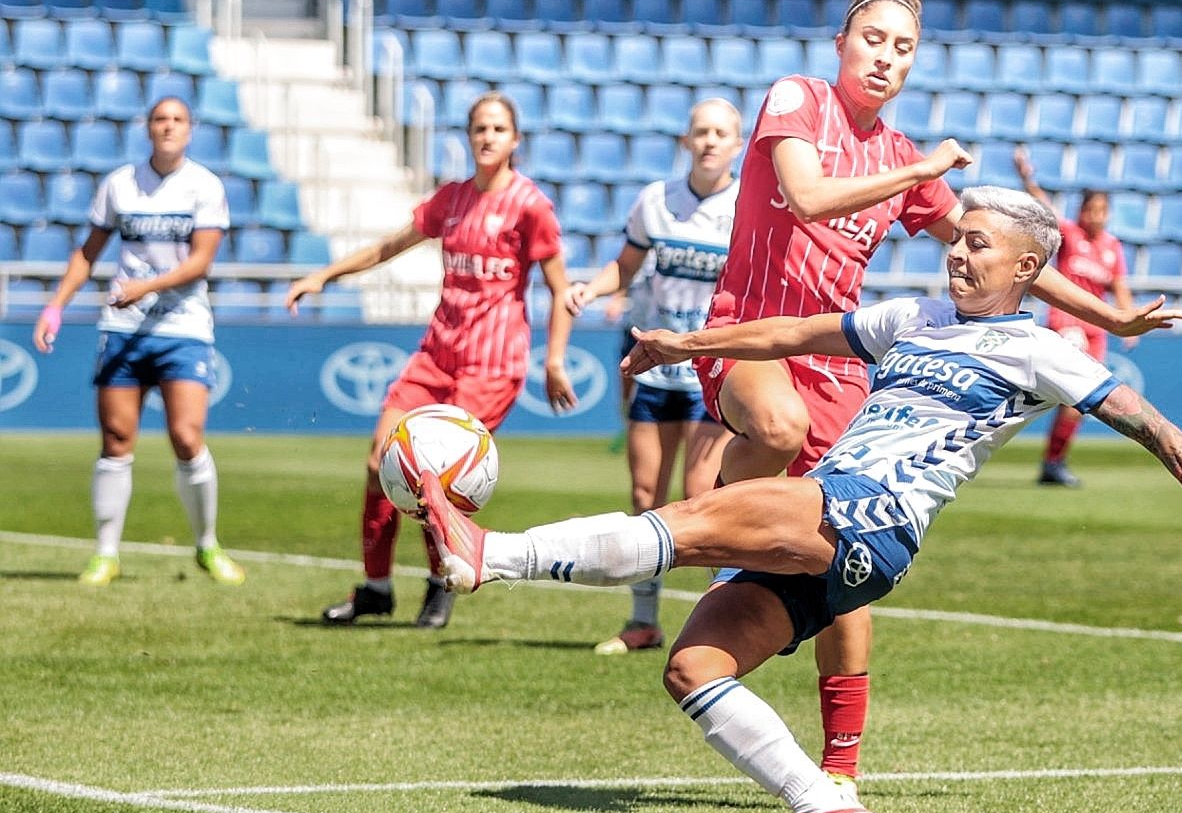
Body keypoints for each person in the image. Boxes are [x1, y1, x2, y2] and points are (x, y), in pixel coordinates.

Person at [412, 187, 1182, 813]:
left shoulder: (1042, 351)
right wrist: (685, 344)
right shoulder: (915, 318)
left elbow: (1154, 424)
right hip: (845, 527)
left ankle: (489, 556)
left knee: (698, 513)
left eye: (978, 242)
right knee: (694, 665)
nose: (958, 250)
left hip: (873, 511)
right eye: (957, 236)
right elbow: (789, 330)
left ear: (1029, 266)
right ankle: (824, 807)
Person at [698, 0, 1182, 795]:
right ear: (841, 44)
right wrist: (919, 169)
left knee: (842, 568)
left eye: (904, 47)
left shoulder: (900, 158)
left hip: (842, 361)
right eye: (873, 40)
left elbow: (1002, 249)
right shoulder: (798, 101)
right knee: (776, 430)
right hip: (754, 331)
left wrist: (1112, 321)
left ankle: (842, 769)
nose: (886, 58)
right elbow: (807, 197)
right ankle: (708, 531)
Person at [285, 92, 577, 627]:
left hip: (492, 362)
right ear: (469, 137)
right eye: (478, 128)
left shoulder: (531, 205)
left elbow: (561, 289)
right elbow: (388, 247)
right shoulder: (453, 199)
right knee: (379, 463)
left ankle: (442, 581)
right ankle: (375, 588)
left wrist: (555, 358)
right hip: (435, 353)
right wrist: (324, 276)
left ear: (515, 140)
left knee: (431, 475)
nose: (487, 137)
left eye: (497, 129)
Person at [31, 98, 246, 587]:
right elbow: (88, 253)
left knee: (187, 438)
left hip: (183, 328)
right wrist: (55, 306)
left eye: (177, 120)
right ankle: (106, 554)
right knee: (116, 441)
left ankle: (207, 544)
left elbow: (200, 263)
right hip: (123, 329)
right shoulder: (119, 185)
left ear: (190, 130)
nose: (168, 127)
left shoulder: (204, 186)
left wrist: (143, 288)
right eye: (160, 119)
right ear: (148, 128)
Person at [565, 99, 745, 654]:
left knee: (700, 496)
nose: (710, 141)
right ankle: (643, 622)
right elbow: (627, 264)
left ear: (738, 146)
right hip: (654, 364)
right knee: (646, 495)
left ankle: (735, 619)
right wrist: (591, 289)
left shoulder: (748, 207)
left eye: (721, 133)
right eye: (701, 132)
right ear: (686, 141)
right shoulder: (656, 201)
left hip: (712, 371)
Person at [1014, 147, 1137, 487]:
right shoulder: (1070, 234)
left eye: (1102, 210)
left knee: (1079, 401)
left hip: (1096, 329)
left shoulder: (1113, 247)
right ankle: (1051, 462)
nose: (1096, 216)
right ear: (1081, 211)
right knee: (1074, 395)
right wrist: (1027, 179)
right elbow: (1044, 208)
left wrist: (1129, 322)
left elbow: (1119, 286)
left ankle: (1054, 462)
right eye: (1091, 209)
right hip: (1067, 322)